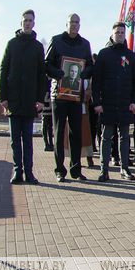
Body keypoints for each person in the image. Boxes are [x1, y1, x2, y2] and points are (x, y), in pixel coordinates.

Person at [0, 9, 46, 184]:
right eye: (25, 20)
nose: (27, 23)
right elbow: (3, 71)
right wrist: (3, 97)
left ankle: (29, 173)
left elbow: (42, 75)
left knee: (27, 140)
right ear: (21, 23)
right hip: (13, 101)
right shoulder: (12, 44)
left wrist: (40, 99)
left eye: (30, 20)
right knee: (14, 141)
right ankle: (17, 172)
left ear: (34, 24)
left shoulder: (37, 47)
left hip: (29, 102)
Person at [45, 13, 93, 182]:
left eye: (77, 22)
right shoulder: (56, 40)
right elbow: (47, 64)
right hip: (58, 95)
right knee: (58, 134)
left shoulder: (85, 44)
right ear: (66, 24)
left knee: (76, 133)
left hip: (76, 95)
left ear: (80, 25)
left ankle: (76, 169)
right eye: (71, 22)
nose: (74, 25)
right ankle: (59, 170)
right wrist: (59, 74)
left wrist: (82, 74)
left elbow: (90, 66)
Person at [92, 22, 135, 181]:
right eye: (117, 32)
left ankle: (125, 168)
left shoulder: (130, 55)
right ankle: (103, 170)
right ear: (112, 34)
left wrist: (134, 101)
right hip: (107, 103)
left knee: (125, 138)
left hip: (126, 103)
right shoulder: (104, 54)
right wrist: (97, 102)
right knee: (106, 138)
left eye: (122, 32)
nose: (120, 34)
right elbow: (96, 81)